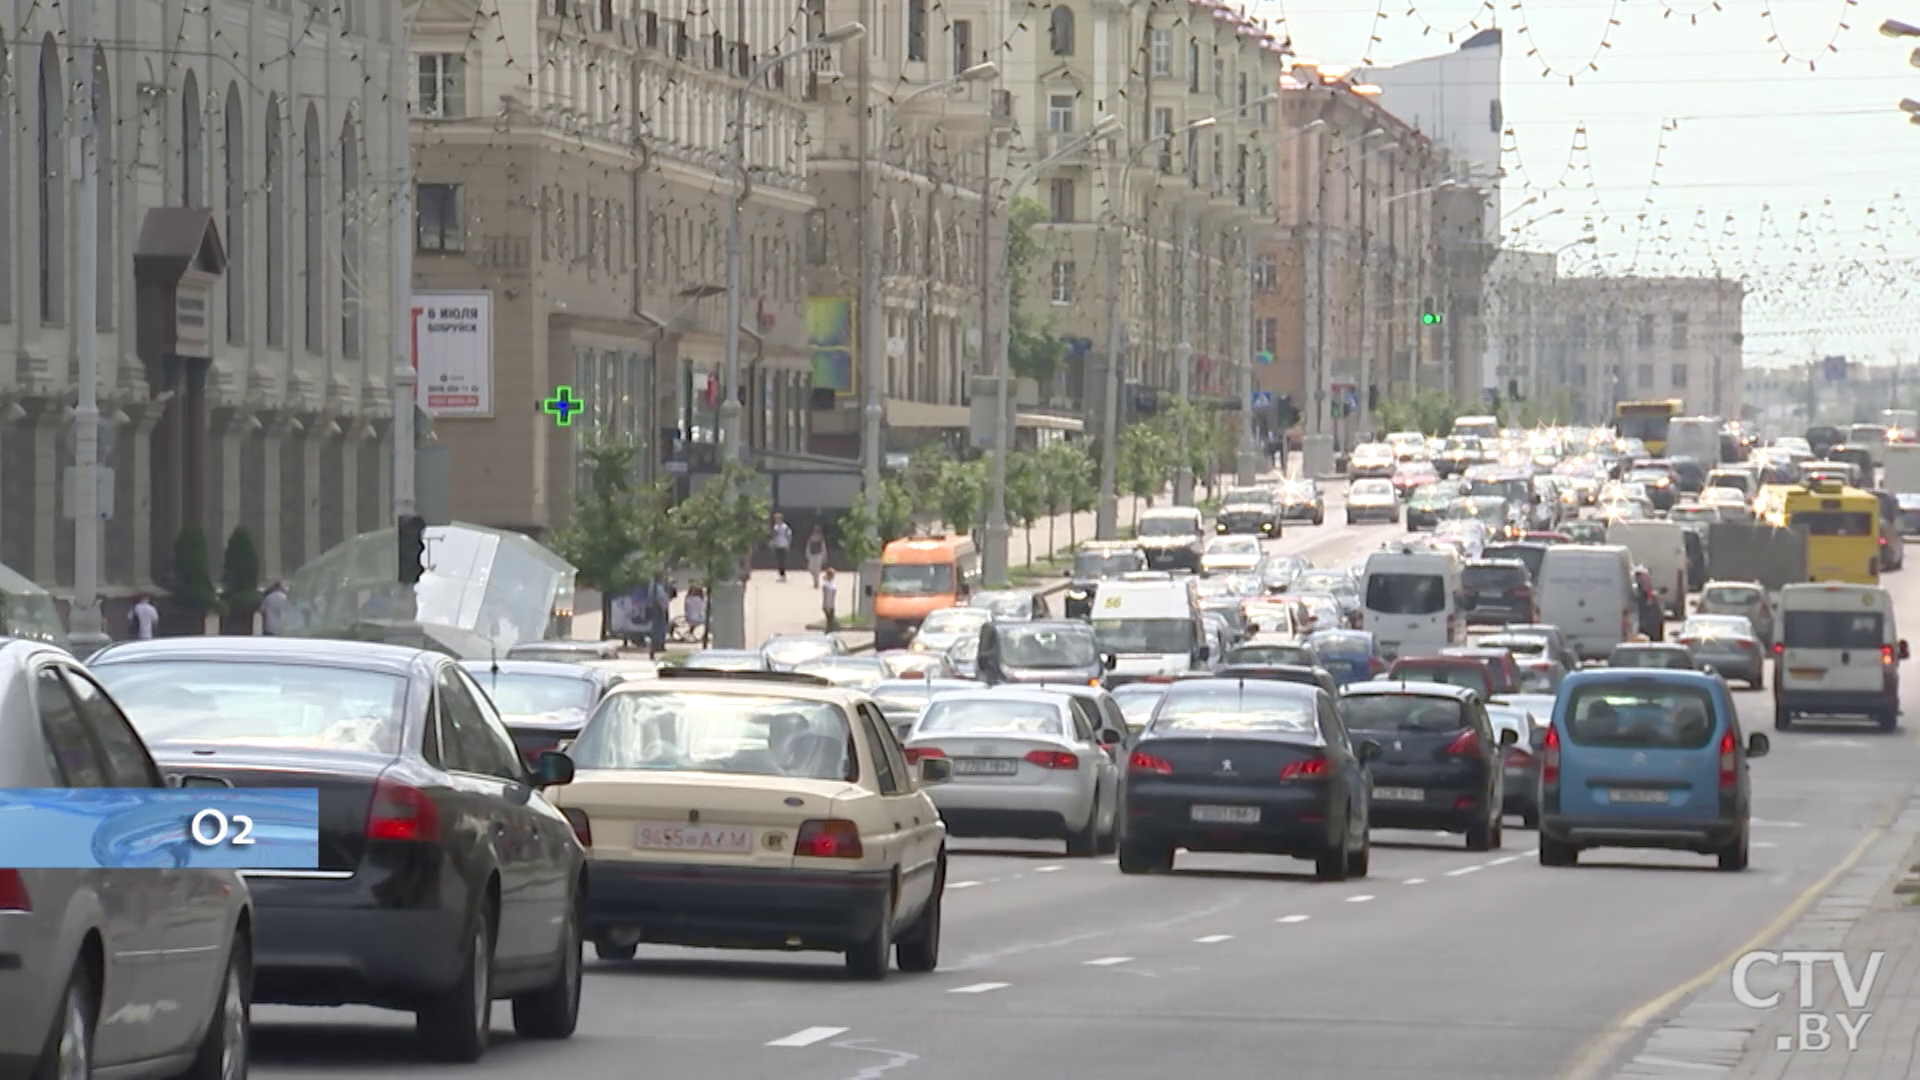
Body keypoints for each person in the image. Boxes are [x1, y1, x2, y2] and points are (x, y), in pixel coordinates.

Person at [645, 572, 675, 658]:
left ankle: (657, 645)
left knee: (659, 627)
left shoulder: (657, 587)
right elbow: (661, 599)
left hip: (659, 608)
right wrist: (664, 607)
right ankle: (657, 645)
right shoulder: (657, 587)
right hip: (659, 609)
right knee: (659, 627)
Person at [769, 513, 793, 582]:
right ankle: (781, 575)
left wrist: (788, 544)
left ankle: (783, 576)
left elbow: (789, 536)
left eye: (777, 519)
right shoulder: (775, 527)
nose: (776, 520)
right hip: (777, 545)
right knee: (779, 561)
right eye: (775, 519)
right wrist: (772, 543)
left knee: (782, 561)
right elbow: (773, 536)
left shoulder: (785, 527)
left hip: (784, 545)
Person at [820, 567, 839, 632]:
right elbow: (825, 596)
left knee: (830, 622)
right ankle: (828, 633)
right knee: (830, 621)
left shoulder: (832, 583)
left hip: (832, 605)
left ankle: (828, 632)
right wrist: (827, 606)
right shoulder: (826, 584)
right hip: (827, 605)